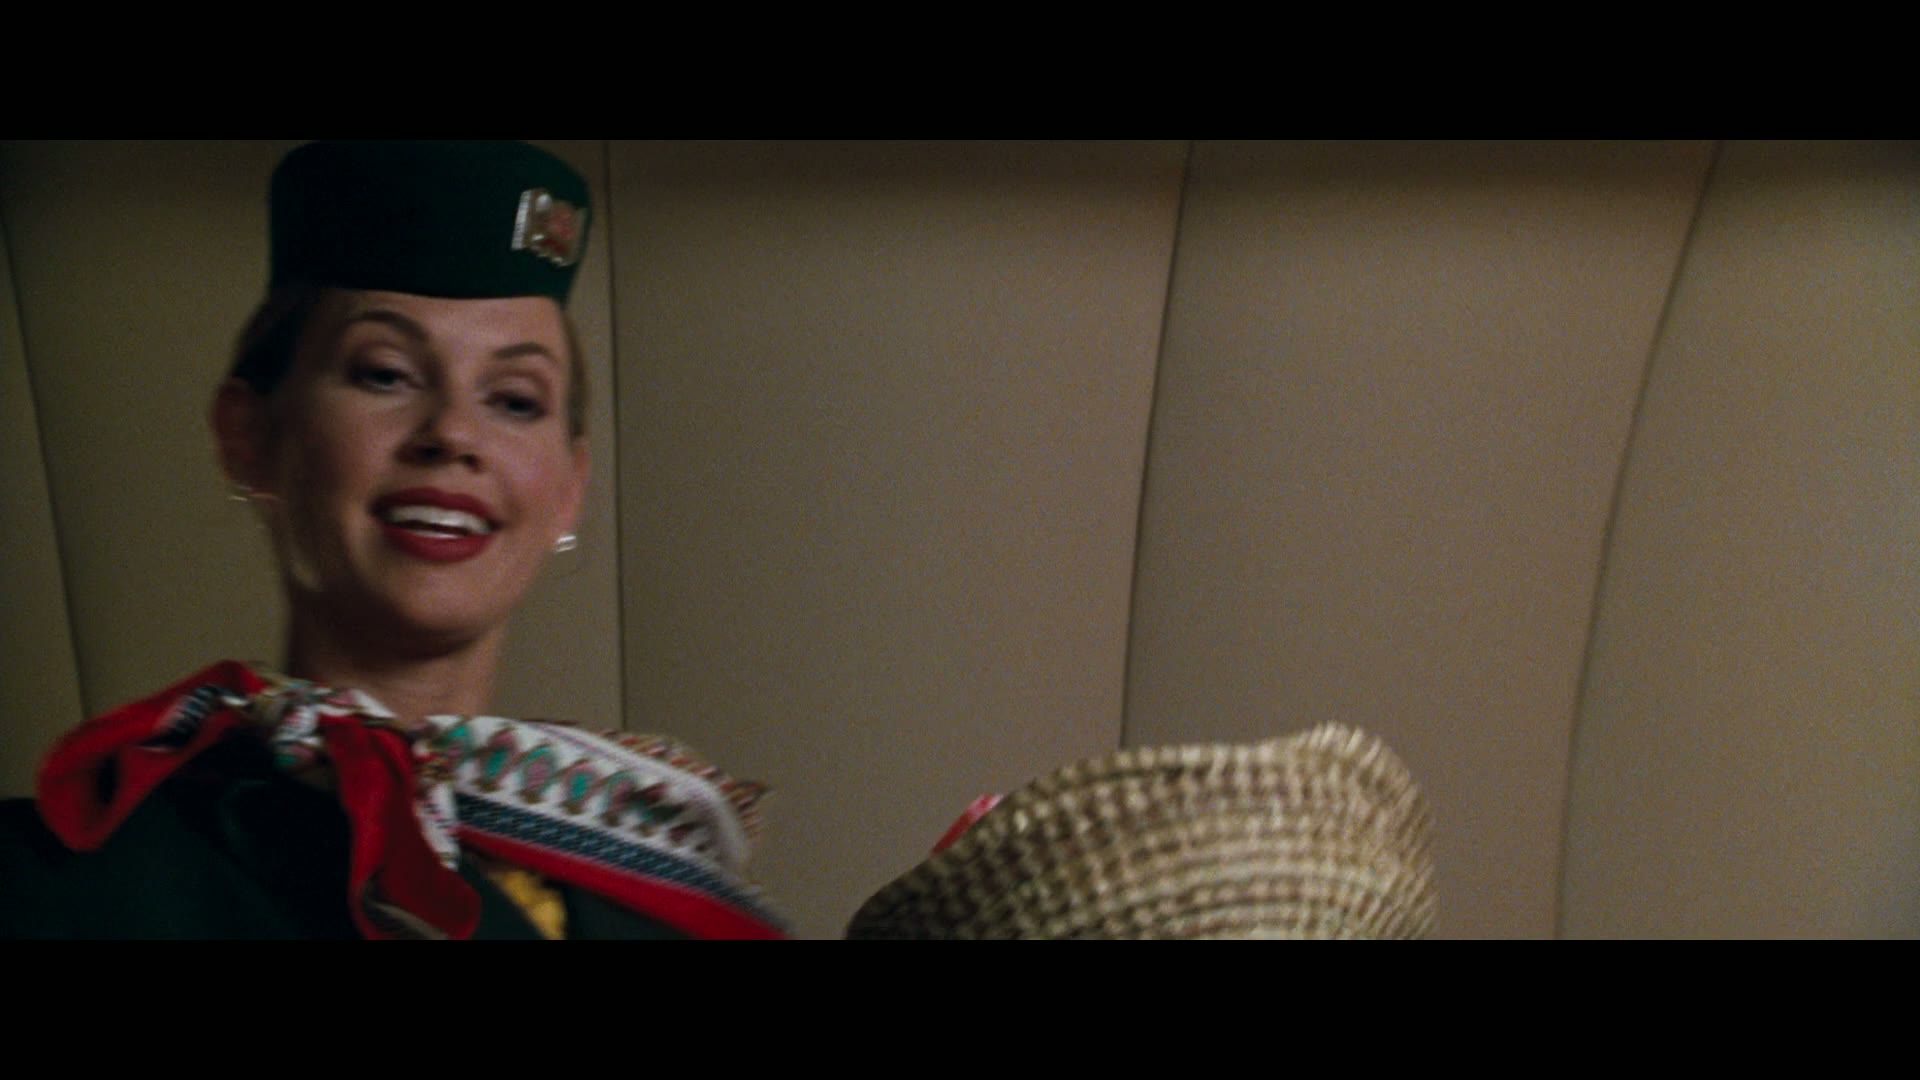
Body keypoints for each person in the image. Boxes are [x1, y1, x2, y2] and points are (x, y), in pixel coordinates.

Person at [0, 141, 785, 939]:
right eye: (384, 374)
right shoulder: (50, 888)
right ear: (248, 435)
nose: (453, 434)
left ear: (568, 489)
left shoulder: (665, 888)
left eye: (515, 400)